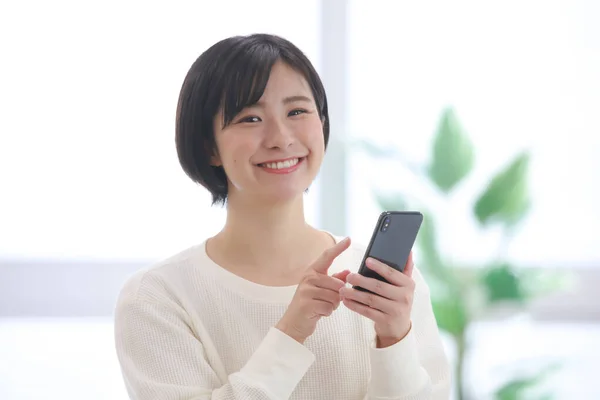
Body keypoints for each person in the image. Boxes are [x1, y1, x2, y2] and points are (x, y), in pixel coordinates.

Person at [114, 33, 451, 400]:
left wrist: (394, 337)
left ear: (321, 124)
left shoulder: (387, 286)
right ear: (209, 146)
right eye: (250, 118)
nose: (280, 137)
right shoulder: (158, 297)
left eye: (297, 111)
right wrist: (291, 332)